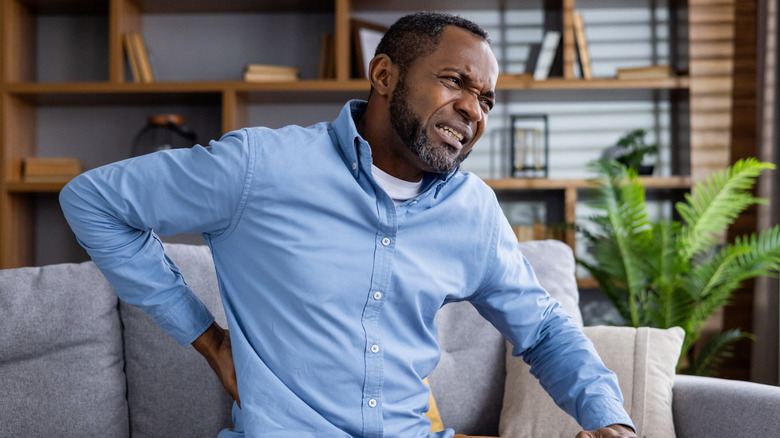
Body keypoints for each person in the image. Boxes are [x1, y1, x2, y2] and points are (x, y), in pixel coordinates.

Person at [60, 11, 637, 438]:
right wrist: (210, 342)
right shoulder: (261, 168)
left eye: (487, 99)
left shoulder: (473, 211)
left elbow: (543, 330)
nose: (473, 110)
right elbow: (94, 202)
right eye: (456, 82)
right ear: (383, 74)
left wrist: (611, 422)